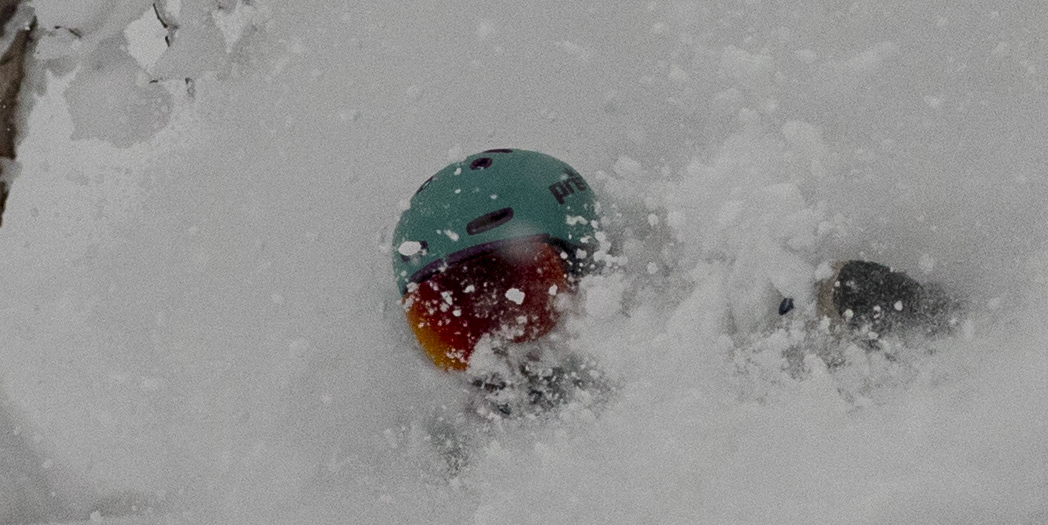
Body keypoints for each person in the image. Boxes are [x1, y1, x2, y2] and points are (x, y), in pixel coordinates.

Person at [387, 146, 955, 407]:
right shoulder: (467, 452)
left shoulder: (700, 325)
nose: (499, 347)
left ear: (592, 265)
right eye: (451, 329)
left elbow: (775, 324)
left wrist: (847, 300)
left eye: (523, 299)